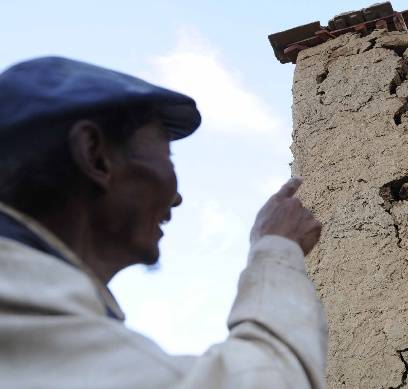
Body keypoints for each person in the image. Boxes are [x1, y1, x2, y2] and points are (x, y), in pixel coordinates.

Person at [0, 56, 327, 388]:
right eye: (166, 156)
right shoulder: (19, 309)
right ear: (94, 155)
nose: (176, 198)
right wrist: (276, 249)